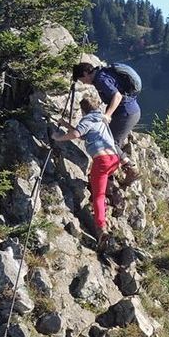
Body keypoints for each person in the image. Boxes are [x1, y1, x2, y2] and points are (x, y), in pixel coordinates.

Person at [52, 96, 122, 251]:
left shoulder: (87, 119)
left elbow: (77, 134)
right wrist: (65, 124)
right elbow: (84, 134)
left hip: (102, 161)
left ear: (83, 110)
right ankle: (103, 212)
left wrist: (59, 138)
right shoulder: (100, 119)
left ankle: (101, 228)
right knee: (100, 189)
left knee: (98, 195)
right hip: (114, 160)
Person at [72, 62, 140, 185]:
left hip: (126, 113)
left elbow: (117, 96)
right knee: (112, 142)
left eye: (82, 79)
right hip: (130, 111)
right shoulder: (103, 72)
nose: (83, 82)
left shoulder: (100, 79)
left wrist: (107, 115)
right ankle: (111, 173)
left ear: (85, 73)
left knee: (110, 141)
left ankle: (130, 170)